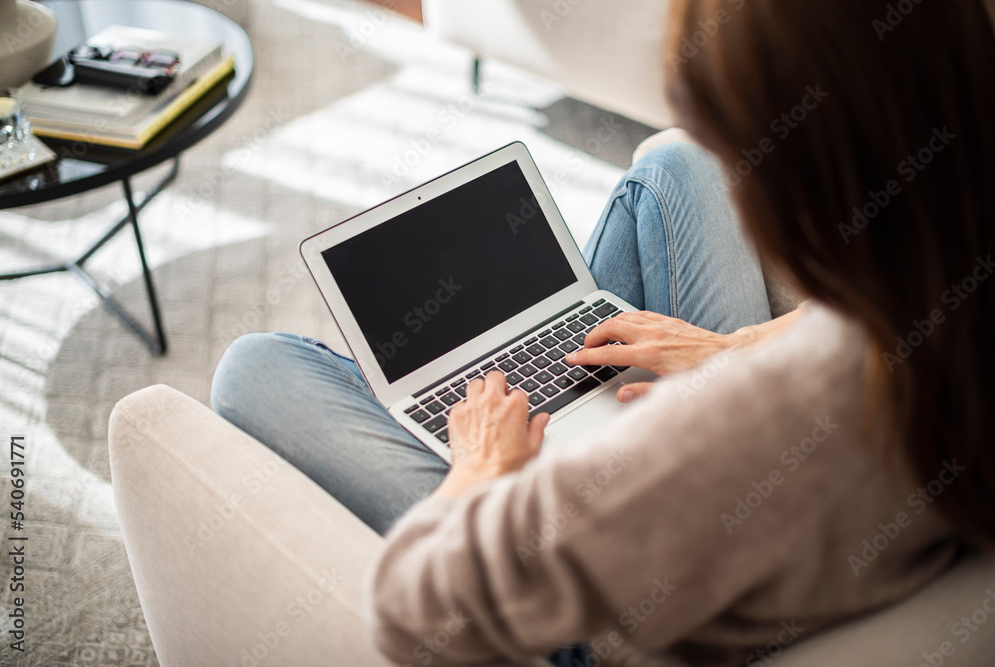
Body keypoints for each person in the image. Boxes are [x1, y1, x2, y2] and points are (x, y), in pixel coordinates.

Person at [210, 0, 995, 664]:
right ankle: (546, 347)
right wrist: (730, 350)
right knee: (678, 170)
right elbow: (836, 343)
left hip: (624, 614)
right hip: (759, 502)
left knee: (256, 369)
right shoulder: (941, 288)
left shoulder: (737, 432)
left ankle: (471, 398)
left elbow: (417, 613)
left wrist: (483, 466)